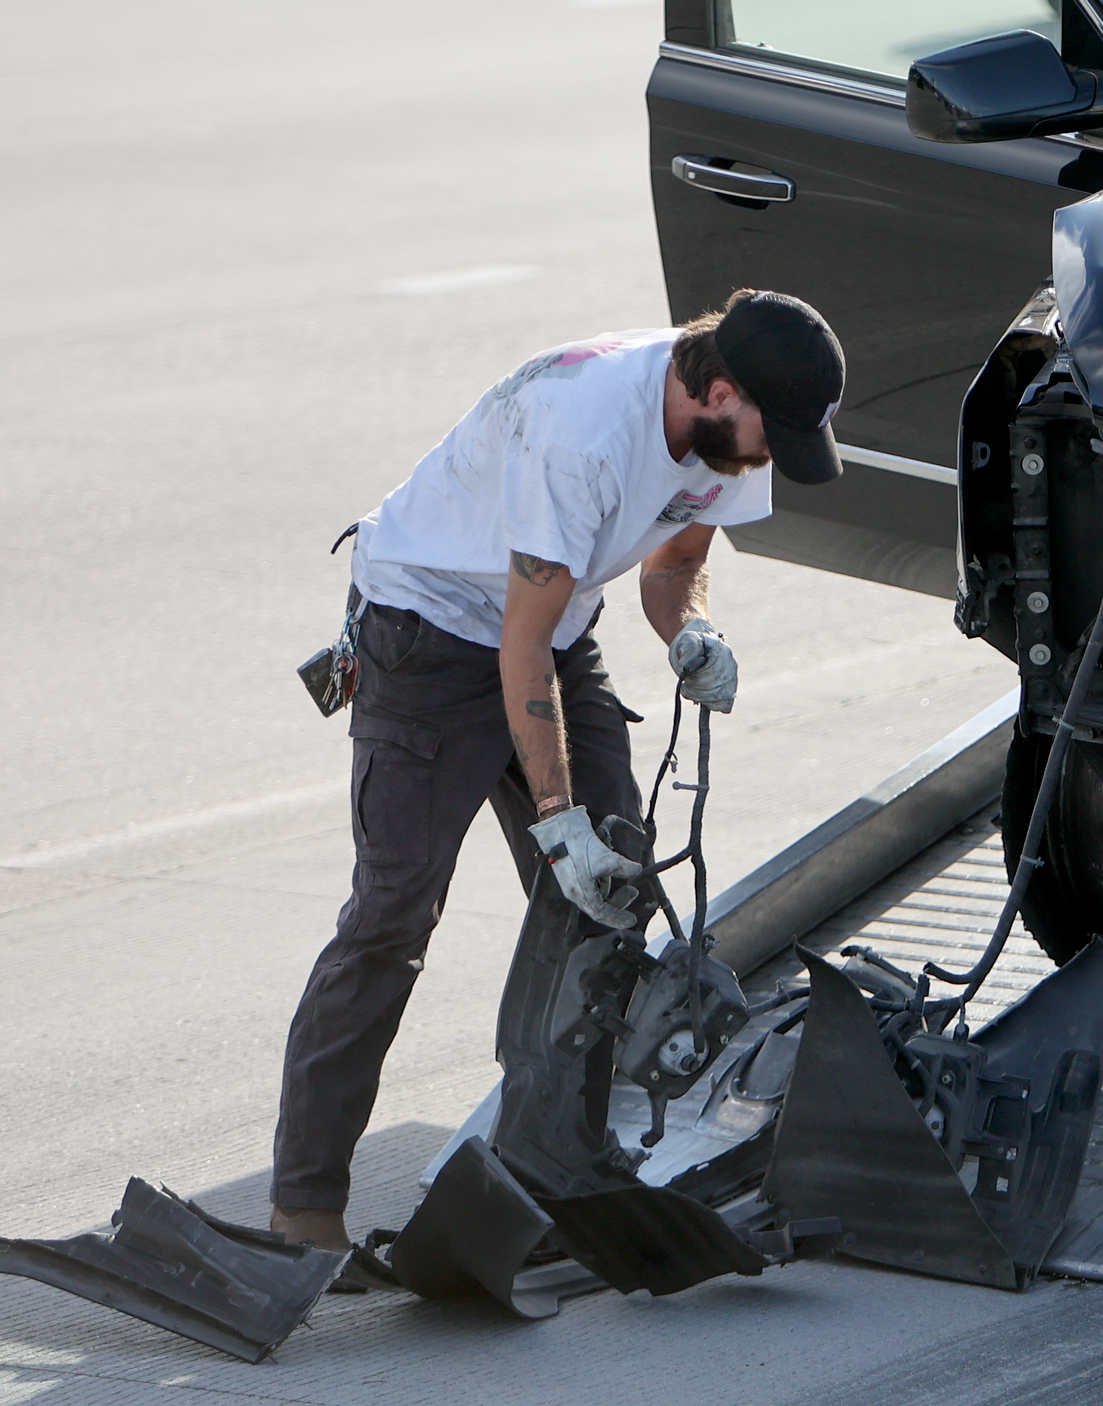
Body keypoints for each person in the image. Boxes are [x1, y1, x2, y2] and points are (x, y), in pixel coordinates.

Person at [267, 289, 845, 1255]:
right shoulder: (584, 432)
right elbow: (516, 646)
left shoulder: (726, 431)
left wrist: (689, 628)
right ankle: (302, 1208)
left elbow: (671, 562)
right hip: (430, 628)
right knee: (395, 913)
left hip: (552, 625)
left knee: (607, 893)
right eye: (768, 430)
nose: (772, 454)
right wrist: (554, 818)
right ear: (717, 388)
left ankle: (551, 1163)